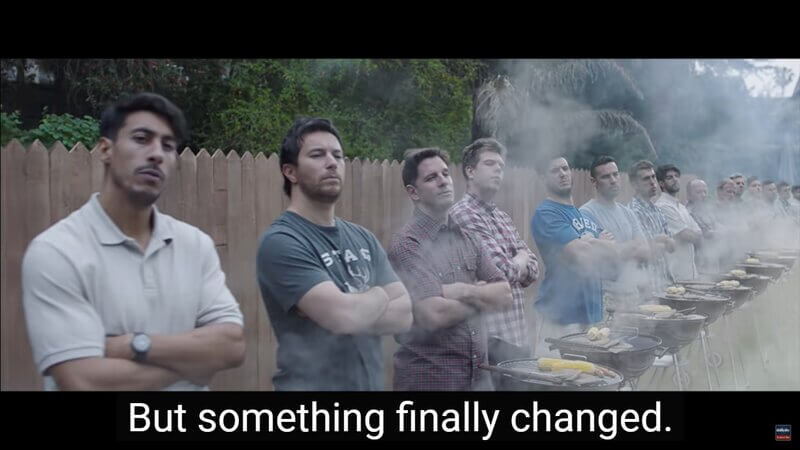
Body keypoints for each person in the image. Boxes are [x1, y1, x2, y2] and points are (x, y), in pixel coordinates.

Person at [22, 93, 245, 390]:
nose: (157, 154)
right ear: (105, 149)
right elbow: (82, 382)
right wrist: (195, 366)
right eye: (142, 139)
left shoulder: (196, 245)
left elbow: (232, 345)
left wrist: (134, 345)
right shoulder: (57, 252)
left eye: (168, 146)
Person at [256, 117, 412, 390]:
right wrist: (380, 294)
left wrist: (354, 309)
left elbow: (405, 315)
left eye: (338, 156)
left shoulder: (363, 238)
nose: (332, 163)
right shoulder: (282, 241)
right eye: (317, 155)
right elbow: (343, 317)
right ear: (290, 172)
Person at [388, 148, 511, 390]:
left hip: (478, 380)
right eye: (431, 177)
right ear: (413, 192)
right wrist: (483, 298)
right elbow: (434, 314)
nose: (443, 181)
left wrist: (463, 291)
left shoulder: (469, 238)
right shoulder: (407, 244)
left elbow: (505, 295)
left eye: (445, 173)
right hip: (430, 381)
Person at [450, 138, 539, 364]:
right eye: (490, 163)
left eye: (501, 165)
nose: (498, 169)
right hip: (489, 341)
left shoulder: (502, 217)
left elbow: (534, 270)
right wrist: (520, 258)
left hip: (517, 336)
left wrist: (519, 263)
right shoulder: (464, 214)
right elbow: (502, 272)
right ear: (470, 171)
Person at [531, 155, 617, 356]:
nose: (563, 174)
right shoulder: (546, 213)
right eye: (555, 170)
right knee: (558, 374)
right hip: (560, 318)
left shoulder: (584, 216)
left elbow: (613, 254)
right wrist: (596, 242)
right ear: (543, 178)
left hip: (590, 316)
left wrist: (589, 241)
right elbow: (579, 255)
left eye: (565, 168)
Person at [628, 160, 676, 291]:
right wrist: (663, 241)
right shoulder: (632, 211)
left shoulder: (657, 210)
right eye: (646, 179)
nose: (652, 182)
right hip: (647, 287)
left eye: (653, 177)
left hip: (664, 283)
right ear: (635, 184)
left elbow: (672, 247)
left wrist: (664, 241)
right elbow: (646, 251)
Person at [654, 164, 702, 281]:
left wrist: (693, 234)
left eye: (676, 176)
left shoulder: (681, 207)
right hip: (677, 276)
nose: (675, 179)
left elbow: (699, 232)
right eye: (669, 177)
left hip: (690, 273)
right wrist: (692, 234)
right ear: (661, 183)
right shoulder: (663, 206)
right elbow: (686, 235)